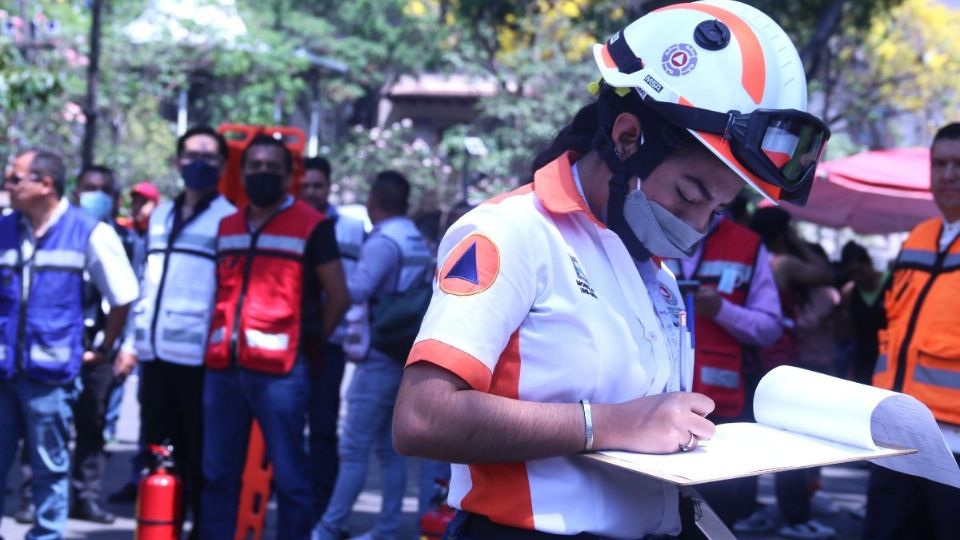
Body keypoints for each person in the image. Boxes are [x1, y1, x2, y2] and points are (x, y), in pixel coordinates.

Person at [390, 1, 830, 538]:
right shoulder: (513, 233)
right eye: (690, 193)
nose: (697, 225)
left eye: (716, 210)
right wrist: (614, 424)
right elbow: (422, 418)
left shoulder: (654, 272)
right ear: (627, 138)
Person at [201, 135, 349, 540]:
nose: (261, 173)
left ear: (289, 175)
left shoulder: (312, 226)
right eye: (254, 166)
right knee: (216, 475)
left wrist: (311, 342)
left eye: (271, 167)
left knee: (290, 480)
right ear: (242, 172)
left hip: (282, 373)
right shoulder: (227, 225)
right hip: (223, 368)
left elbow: (338, 295)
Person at [0, 149, 138, 539]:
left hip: (51, 374)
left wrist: (105, 346)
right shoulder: (4, 228)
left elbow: (124, 294)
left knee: (49, 468)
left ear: (45, 184)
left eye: (15, 179)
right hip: (4, 370)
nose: (7, 186)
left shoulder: (89, 231)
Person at [126, 126, 237, 535]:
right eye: (191, 156)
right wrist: (128, 343)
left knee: (199, 459)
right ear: (177, 162)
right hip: (154, 356)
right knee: (156, 455)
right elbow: (144, 280)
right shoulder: (161, 215)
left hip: (199, 361)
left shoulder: (228, 219)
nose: (198, 165)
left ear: (223, 165)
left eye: (208, 158)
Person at [312, 170, 433, 540]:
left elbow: (358, 290)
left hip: (379, 354)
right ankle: (385, 529)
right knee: (387, 448)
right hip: (401, 349)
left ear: (373, 201)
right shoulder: (414, 237)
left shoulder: (384, 241)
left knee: (353, 447)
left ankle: (327, 529)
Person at [864, 122, 960, 540]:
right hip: (897, 436)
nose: (949, 175)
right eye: (939, 164)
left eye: (959, 165)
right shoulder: (919, 238)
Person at [665, 209, 783, 526]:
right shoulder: (646, 229)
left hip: (722, 412)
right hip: (652, 404)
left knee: (717, 514)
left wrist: (721, 310)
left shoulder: (747, 246)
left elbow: (770, 328)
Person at [736, 207, 837, 539]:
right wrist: (797, 241)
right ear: (782, 233)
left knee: (749, 437)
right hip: (781, 358)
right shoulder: (782, 262)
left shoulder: (748, 258)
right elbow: (824, 273)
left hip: (750, 359)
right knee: (792, 440)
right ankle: (796, 517)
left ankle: (746, 510)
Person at [67, 165, 141, 524]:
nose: (94, 195)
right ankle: (32, 497)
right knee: (41, 421)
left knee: (93, 425)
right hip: (59, 344)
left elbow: (132, 296)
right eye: (88, 187)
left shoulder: (125, 240)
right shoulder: (57, 232)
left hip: (100, 347)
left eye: (102, 189)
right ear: (75, 191)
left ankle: (85, 496)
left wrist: (121, 345)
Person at [300, 156, 367, 516]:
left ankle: (322, 509)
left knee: (324, 428)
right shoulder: (288, 224)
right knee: (288, 427)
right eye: (305, 186)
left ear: (329, 188)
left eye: (318, 186)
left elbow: (356, 290)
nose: (311, 193)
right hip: (292, 346)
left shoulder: (351, 229)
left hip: (330, 344)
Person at [839, 241, 889, 385]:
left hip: (888, 358)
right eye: (851, 274)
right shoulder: (851, 294)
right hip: (864, 360)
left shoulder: (894, 283)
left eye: (860, 271)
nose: (857, 278)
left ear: (869, 263)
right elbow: (849, 330)